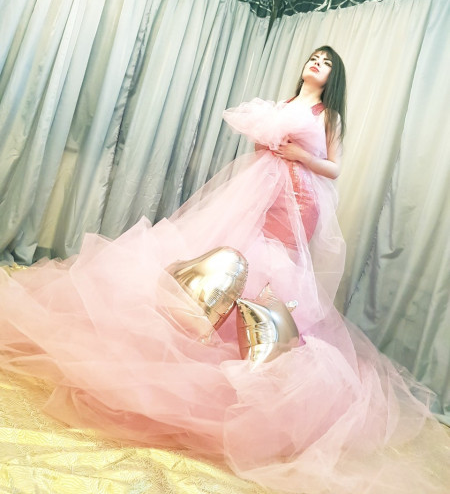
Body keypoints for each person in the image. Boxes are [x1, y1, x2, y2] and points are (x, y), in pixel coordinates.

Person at [0, 46, 448, 494]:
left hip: (300, 199)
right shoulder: (282, 105)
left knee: (278, 268)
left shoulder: (327, 115)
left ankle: (263, 343)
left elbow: (333, 167)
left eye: (326, 62)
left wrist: (298, 154)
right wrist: (268, 143)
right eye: (314, 57)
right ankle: (216, 333)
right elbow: (260, 148)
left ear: (334, 76)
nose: (317, 63)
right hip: (264, 190)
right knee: (241, 254)